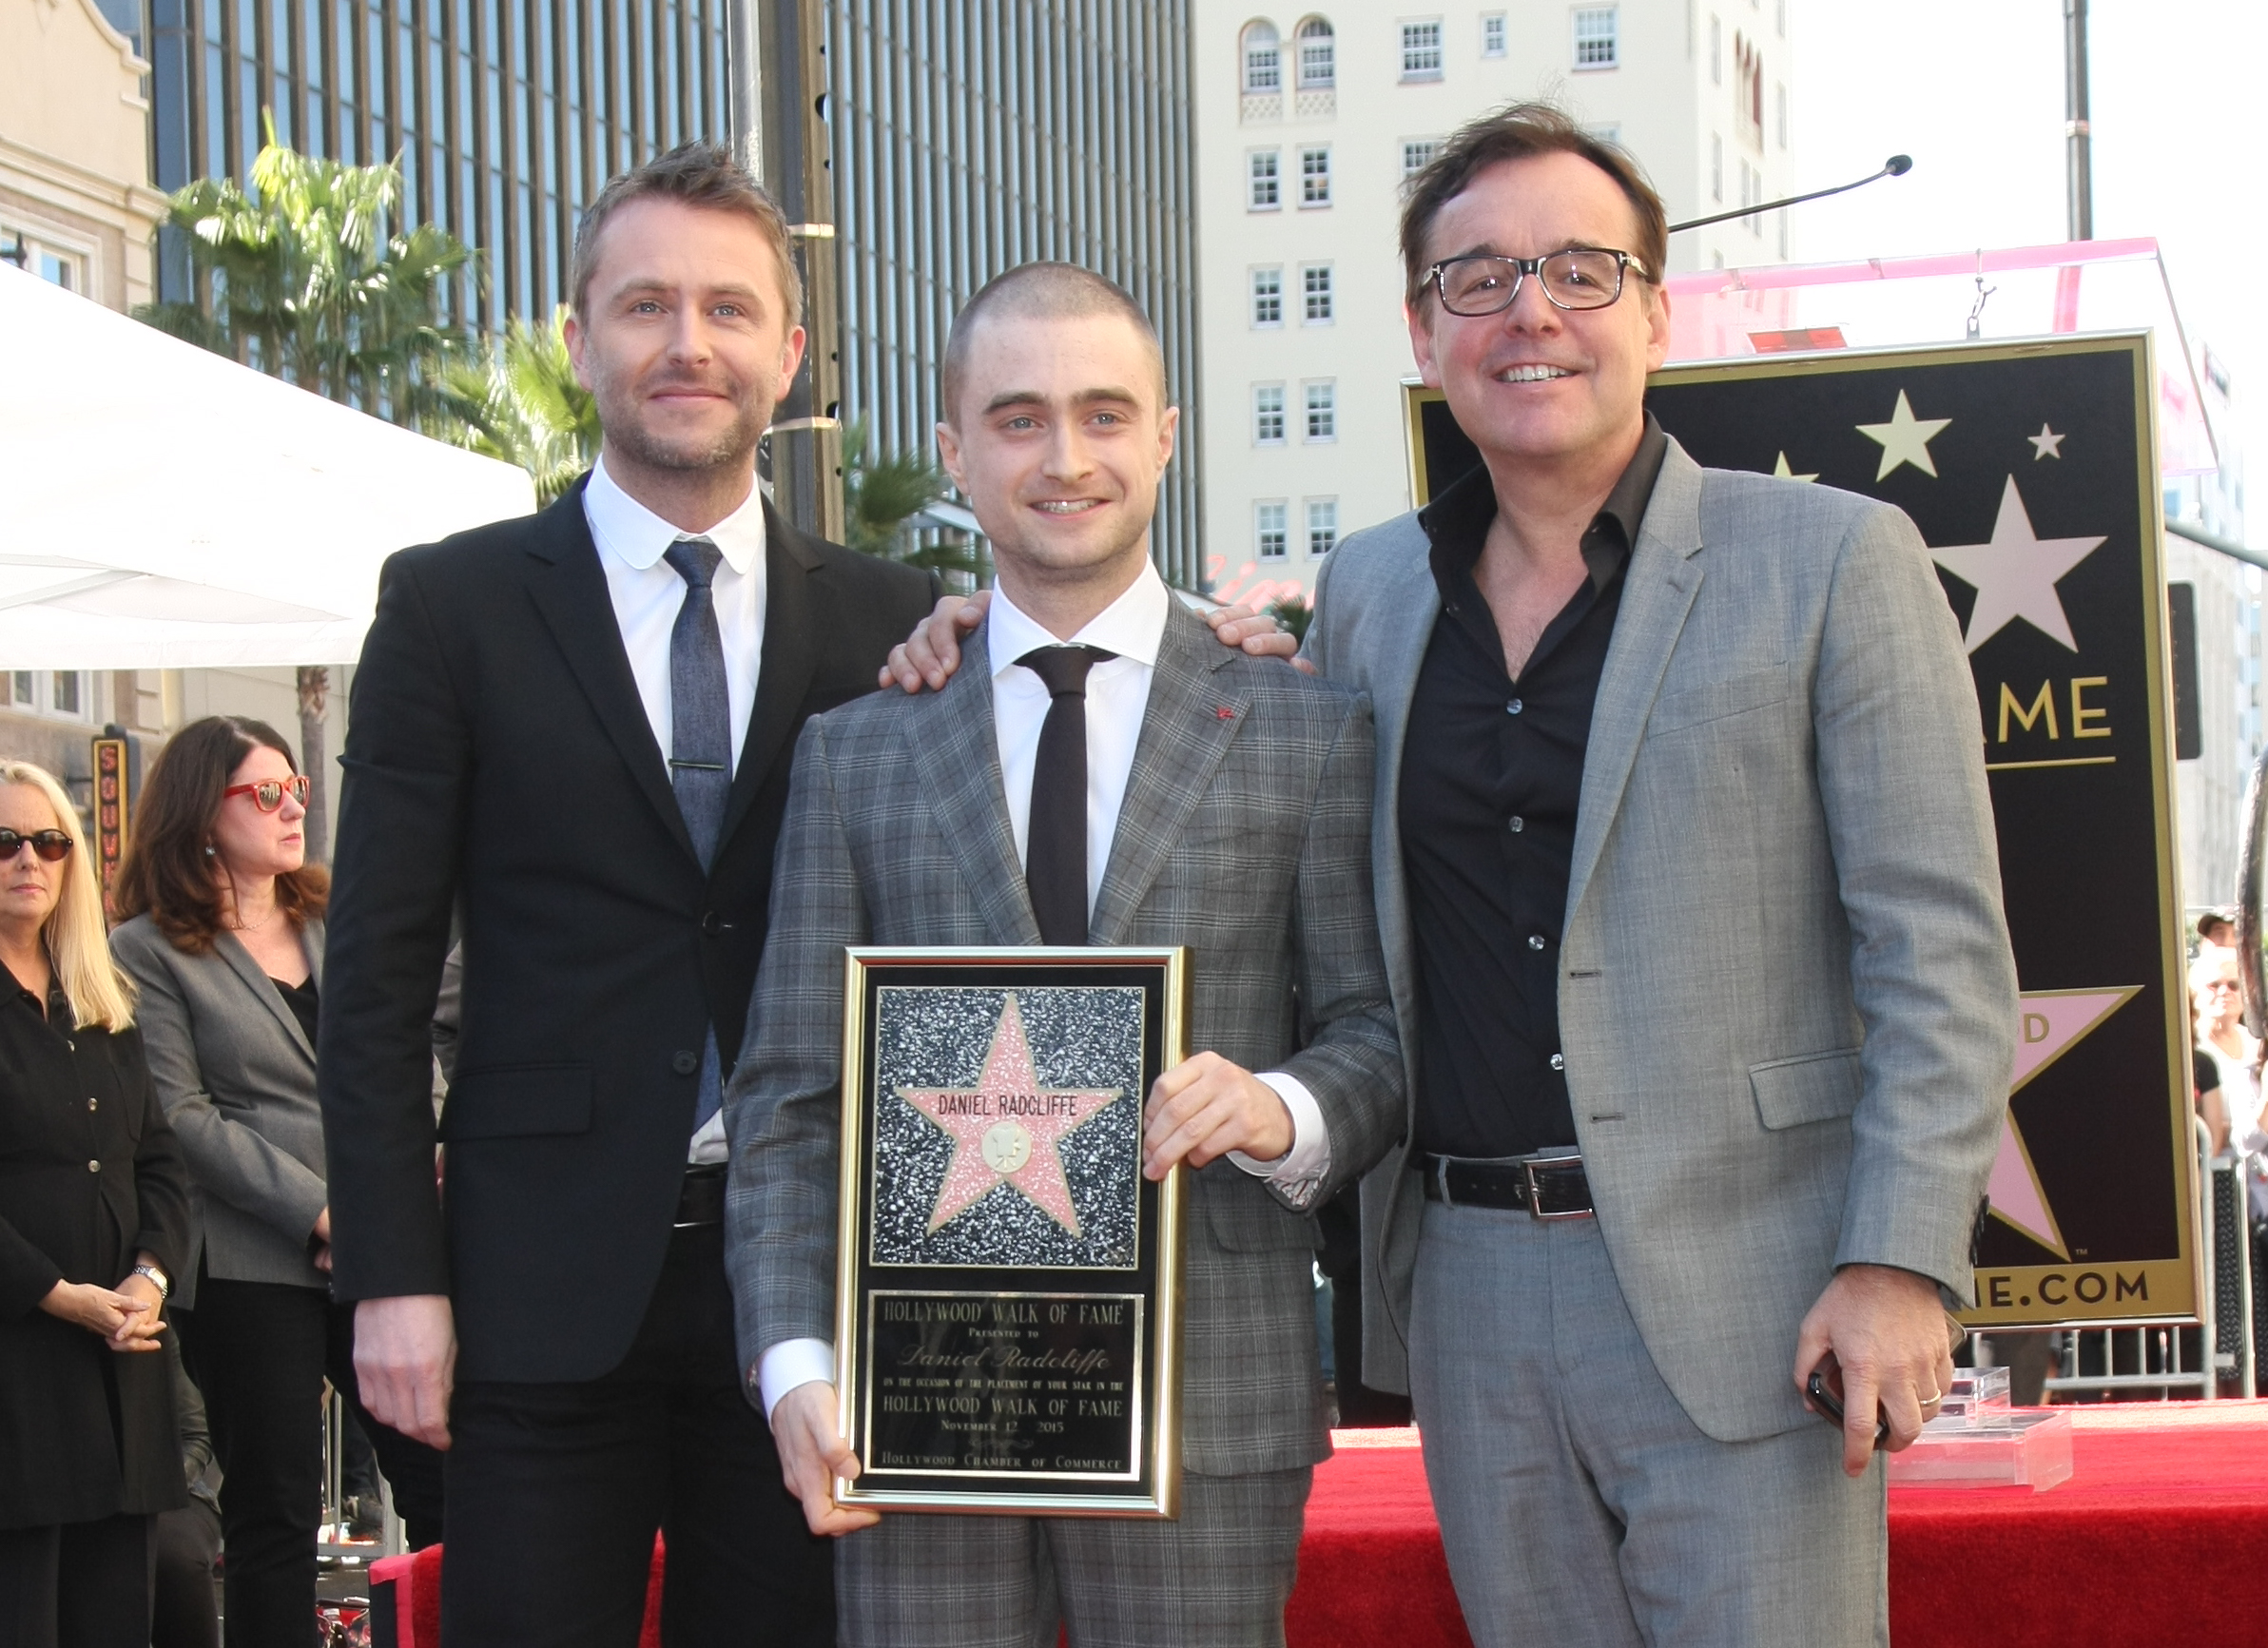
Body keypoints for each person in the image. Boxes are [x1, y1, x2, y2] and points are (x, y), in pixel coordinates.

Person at [884, 104, 2019, 1647]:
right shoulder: (1369, 589)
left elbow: (1940, 953)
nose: (1528, 311)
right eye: (1477, 279)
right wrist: (972, 639)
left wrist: (1896, 1261)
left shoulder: (1832, 561)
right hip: (1470, 1295)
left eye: (1579, 269)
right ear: (1423, 332)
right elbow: (1171, 701)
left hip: (1754, 1290)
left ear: (1656, 311)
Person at [318, 140, 940, 1648]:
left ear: (790, 353)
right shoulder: (452, 603)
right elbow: (376, 976)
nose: (687, 343)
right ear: (579, 335)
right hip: (535, 1290)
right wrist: (393, 1279)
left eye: (729, 309)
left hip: (804, 1291)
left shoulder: (897, 620)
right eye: (645, 304)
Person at [728, 262, 1403, 1648]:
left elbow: (1378, 1035)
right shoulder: (858, 752)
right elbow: (791, 1096)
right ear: (955, 450)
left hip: (1207, 1398)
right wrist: (796, 1363)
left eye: (1104, 414)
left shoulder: (1304, 727)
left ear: (1165, 436)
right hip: (916, 1403)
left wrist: (1276, 1106)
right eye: (1019, 418)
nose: (1066, 458)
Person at [111, 717, 446, 1646]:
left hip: (383, 1239)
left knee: (443, 1476)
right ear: (201, 814)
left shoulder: (336, 917)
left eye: (296, 785)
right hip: (249, 1260)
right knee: (277, 1511)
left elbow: (408, 1056)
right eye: (266, 792)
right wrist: (323, 1212)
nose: (293, 804)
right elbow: (184, 1116)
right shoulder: (146, 948)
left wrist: (401, 1182)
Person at [0, 760, 190, 1646]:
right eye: (4, 842)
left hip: (122, 1362)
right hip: (18, 1365)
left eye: (49, 842)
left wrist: (151, 1277)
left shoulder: (101, 998)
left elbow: (160, 1162)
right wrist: (54, 1292)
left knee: (117, 1615)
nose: (27, 860)